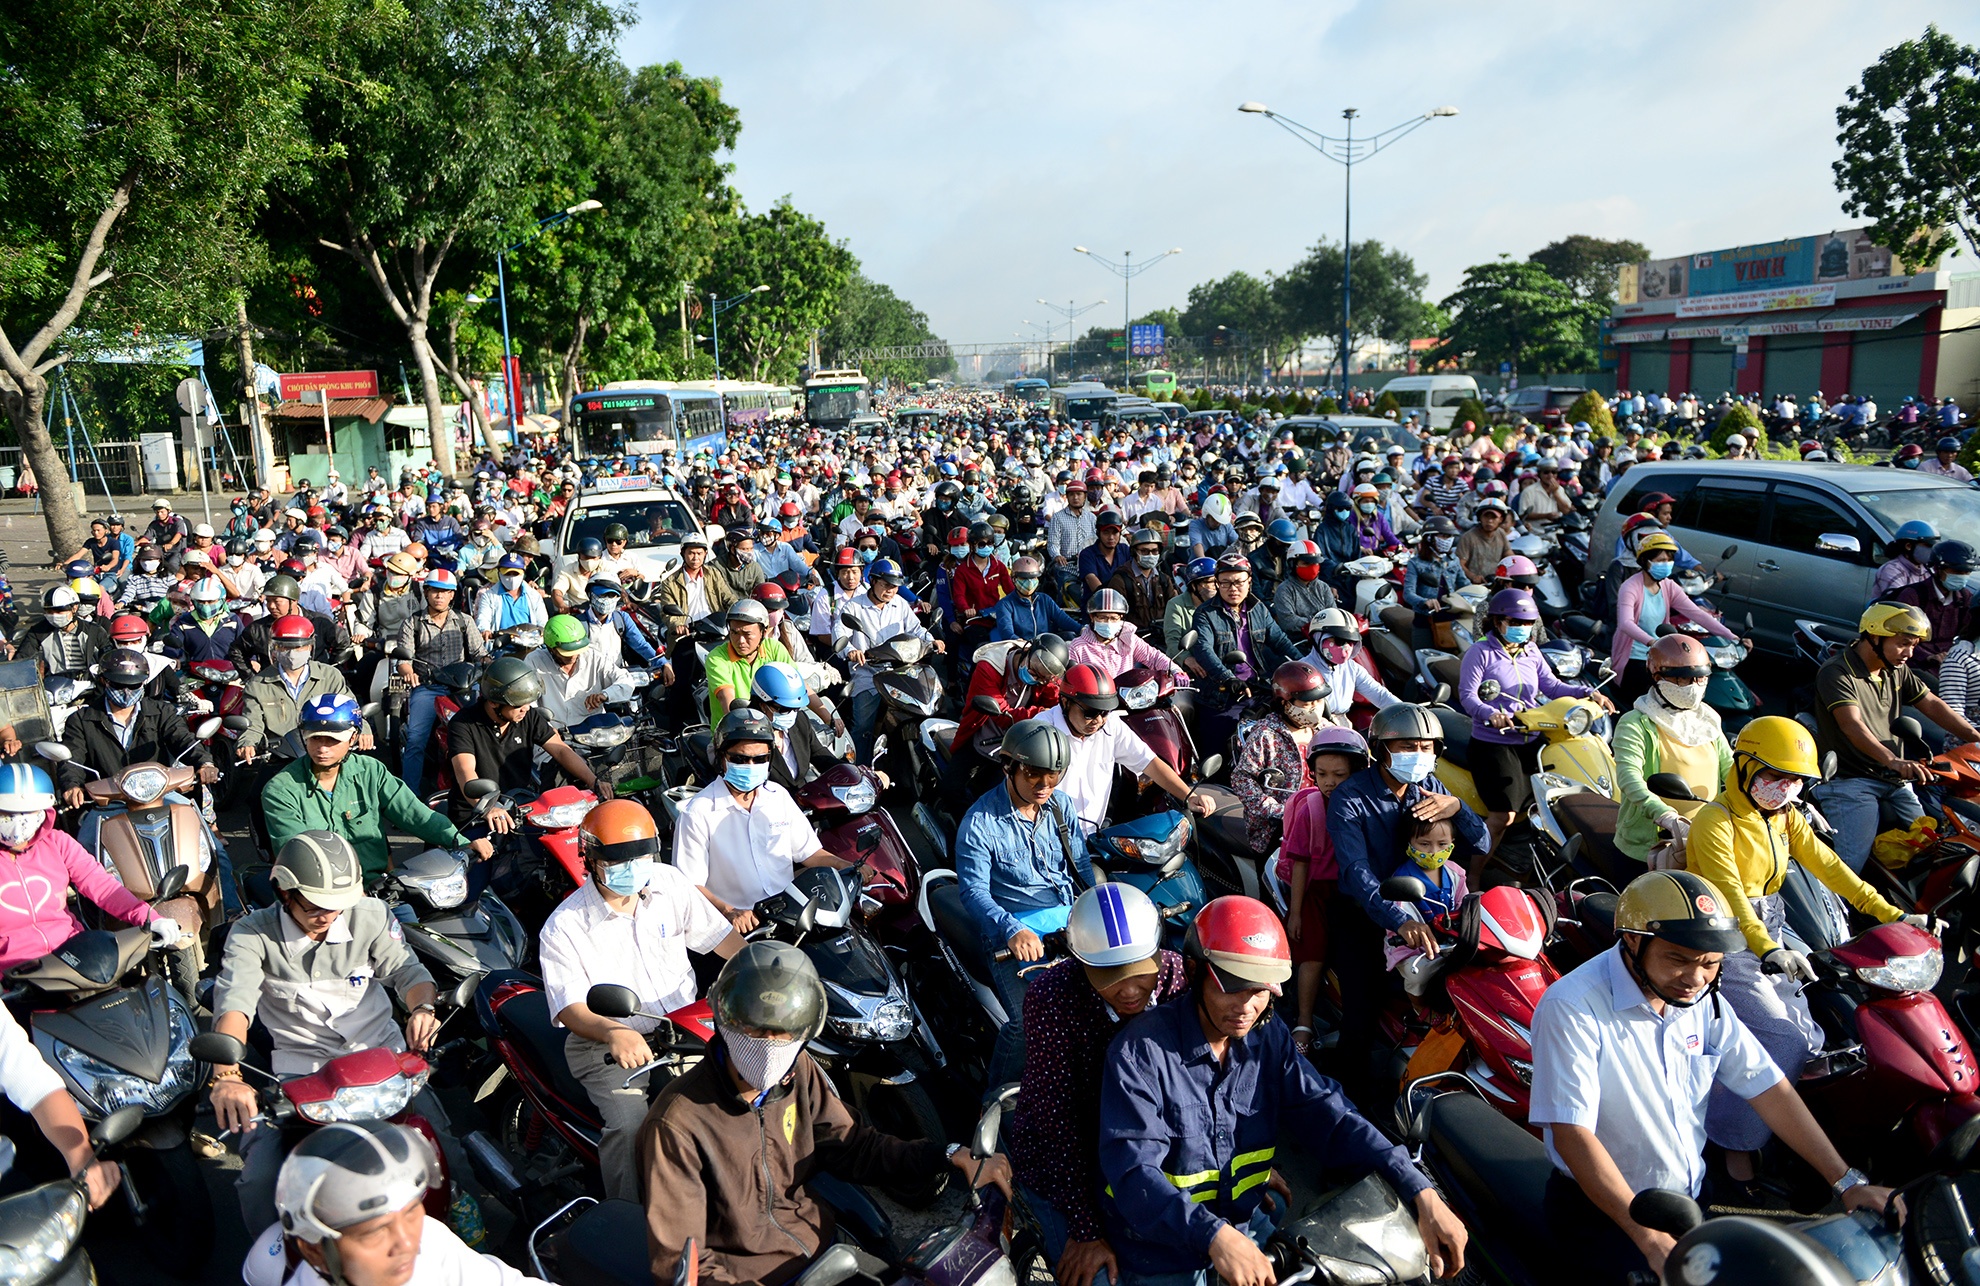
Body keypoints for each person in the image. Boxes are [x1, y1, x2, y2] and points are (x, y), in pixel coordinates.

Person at [1528, 870, 1894, 1282]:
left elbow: (1767, 1086)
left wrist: (1846, 1182)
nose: (1695, 978)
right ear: (1632, 940)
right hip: (1607, 1216)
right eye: (1677, 959)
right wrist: (1648, 1238)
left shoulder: (1701, 997)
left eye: (1710, 963)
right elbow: (1572, 1134)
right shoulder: (1572, 1007)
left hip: (1689, 1203)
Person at [1097, 896, 1466, 1286]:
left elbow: (1329, 1113)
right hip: (1161, 1253)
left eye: (1260, 990)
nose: (1246, 1006)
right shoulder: (1138, 1054)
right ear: (1194, 970)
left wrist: (1419, 1189)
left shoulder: (1268, 1037)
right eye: (1232, 987)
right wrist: (1215, 1236)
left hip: (1244, 1228)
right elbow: (1135, 1173)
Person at [638, 942, 1011, 1286]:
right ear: (725, 1020)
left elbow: (856, 1146)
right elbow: (682, 1262)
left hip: (825, 1250)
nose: (770, 1046)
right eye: (755, 1029)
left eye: (784, 1033)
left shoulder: (798, 1071)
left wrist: (948, 1155)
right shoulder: (677, 1124)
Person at [1686, 717, 1917, 1190]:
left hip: (1771, 929)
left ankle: (1778, 1124)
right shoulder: (1715, 821)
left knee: (1814, 1037)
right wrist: (1768, 948)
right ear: (1744, 766)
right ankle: (1732, 1149)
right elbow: (1730, 895)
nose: (1785, 787)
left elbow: (1829, 866)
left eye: (1794, 779)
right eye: (1775, 775)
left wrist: (1892, 913)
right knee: (1785, 1040)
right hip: (1726, 940)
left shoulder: (1785, 817)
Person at [207, 832, 447, 1232]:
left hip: (381, 1062)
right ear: (285, 892)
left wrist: (422, 1008)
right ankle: (278, 1260)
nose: (328, 917)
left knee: (446, 1154)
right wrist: (227, 1076)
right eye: (315, 907)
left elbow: (408, 971)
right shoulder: (251, 935)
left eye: (338, 907)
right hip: (304, 1074)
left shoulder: (370, 915)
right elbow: (235, 1005)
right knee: (261, 1181)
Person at [539, 799, 743, 1202]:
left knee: (732, 1097)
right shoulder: (564, 926)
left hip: (682, 1030)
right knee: (631, 1127)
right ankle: (628, 1216)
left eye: (641, 856)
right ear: (591, 859)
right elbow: (570, 1006)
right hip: (605, 1044)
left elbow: (722, 939)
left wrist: (761, 967)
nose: (632, 867)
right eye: (618, 860)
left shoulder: (669, 884)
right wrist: (613, 1032)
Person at [1007, 884, 1187, 1286]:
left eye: (1139, 968)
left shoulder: (1178, 978)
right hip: (1069, 1166)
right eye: (1108, 974)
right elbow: (1058, 1123)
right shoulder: (1051, 999)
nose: (1129, 990)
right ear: (1080, 962)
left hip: (1149, 1157)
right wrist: (1086, 1229)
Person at [1326, 704, 1490, 1102]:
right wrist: (1397, 919)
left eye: (1426, 747)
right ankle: (1348, 1104)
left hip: (1432, 912)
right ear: (1382, 749)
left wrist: (1458, 808)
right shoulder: (1351, 797)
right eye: (1407, 746)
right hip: (1366, 917)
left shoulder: (1430, 787)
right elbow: (1356, 872)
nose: (1419, 754)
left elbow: (1482, 842)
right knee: (1361, 1014)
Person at [955, 718, 1089, 1091]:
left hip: (1067, 924)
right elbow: (973, 891)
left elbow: (1080, 867)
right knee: (1029, 1022)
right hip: (1012, 933)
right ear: (1008, 767)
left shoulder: (1061, 806)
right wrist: (1012, 929)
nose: (1044, 785)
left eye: (1053, 775)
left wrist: (1100, 907)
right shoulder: (980, 823)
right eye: (1033, 774)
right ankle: (995, 1102)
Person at [1809, 602, 1980, 871]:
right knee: (1849, 867)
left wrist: (1975, 737)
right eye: (1903, 644)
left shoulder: (1895, 669)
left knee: (1932, 849)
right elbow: (1852, 725)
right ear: (1875, 636)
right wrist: (1893, 760)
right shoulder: (1837, 672)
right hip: (1851, 781)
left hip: (1894, 780)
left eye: (1914, 645)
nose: (1910, 653)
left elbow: (1933, 704)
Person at [1459, 588, 1612, 866]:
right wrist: (1490, 713)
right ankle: (1474, 873)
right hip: (1495, 742)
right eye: (1516, 622)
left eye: (1528, 623)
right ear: (1498, 622)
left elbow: (1552, 686)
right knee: (1503, 817)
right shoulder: (1480, 652)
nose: (1522, 628)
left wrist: (1588, 692)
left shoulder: (1531, 650)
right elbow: (1468, 696)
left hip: (1531, 738)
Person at [263, 694, 489, 881]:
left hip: (377, 886)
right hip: (316, 896)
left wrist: (461, 842)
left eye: (332, 740)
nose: (322, 748)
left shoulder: (371, 771)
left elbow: (415, 814)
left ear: (353, 738)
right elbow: (296, 852)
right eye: (315, 738)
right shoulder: (280, 790)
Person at [673, 709, 848, 931]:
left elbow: (810, 853)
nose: (750, 766)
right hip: (737, 928)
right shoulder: (698, 813)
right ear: (721, 758)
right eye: (740, 759)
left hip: (789, 916)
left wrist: (846, 866)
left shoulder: (778, 797)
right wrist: (729, 911)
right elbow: (689, 884)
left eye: (760, 759)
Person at [0, 762, 179, 972]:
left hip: (70, 956)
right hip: (13, 973)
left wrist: (149, 917)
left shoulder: (58, 842)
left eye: (29, 812)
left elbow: (102, 886)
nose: (19, 822)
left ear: (44, 812)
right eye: (8, 813)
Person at [1275, 728, 1367, 1050]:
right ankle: (1303, 1021)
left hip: (1354, 892)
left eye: (1339, 775)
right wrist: (1296, 912)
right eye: (1322, 774)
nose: (1330, 782)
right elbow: (1300, 863)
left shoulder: (1364, 805)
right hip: (1317, 892)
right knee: (1312, 956)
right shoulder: (1311, 809)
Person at [1039, 664, 1211, 835]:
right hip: (1049, 837)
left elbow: (1150, 763)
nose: (1098, 720)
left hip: (1091, 833)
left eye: (1105, 712)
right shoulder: (1042, 730)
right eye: (1090, 713)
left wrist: (1189, 796)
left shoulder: (1112, 725)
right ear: (1065, 702)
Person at [447, 657, 613, 826]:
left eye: (527, 703)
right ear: (493, 702)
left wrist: (594, 781)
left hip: (519, 807)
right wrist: (487, 809)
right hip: (475, 815)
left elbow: (560, 750)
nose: (525, 708)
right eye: (518, 704)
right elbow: (464, 770)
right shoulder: (463, 724)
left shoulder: (528, 716)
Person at [1612, 635, 1730, 868]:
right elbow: (1629, 777)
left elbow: (1731, 768)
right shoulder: (1635, 723)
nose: (1694, 687)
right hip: (1652, 847)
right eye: (1684, 679)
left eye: (1701, 678)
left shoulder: (1707, 719)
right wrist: (1664, 815)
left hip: (1705, 837)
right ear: (1658, 677)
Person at [57, 646, 218, 806]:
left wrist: (205, 763)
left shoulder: (162, 712)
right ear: (104, 681)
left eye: (133, 685)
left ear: (144, 682)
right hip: (108, 803)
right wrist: (72, 786)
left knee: (192, 818)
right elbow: (72, 757)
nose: (126, 691)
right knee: (87, 823)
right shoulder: (81, 720)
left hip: (159, 797)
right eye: (118, 685)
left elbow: (183, 739)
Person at [833, 559, 942, 766]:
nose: (891, 590)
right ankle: (859, 769)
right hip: (868, 673)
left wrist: (932, 640)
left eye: (895, 586)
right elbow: (840, 633)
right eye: (886, 584)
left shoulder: (900, 604)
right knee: (863, 727)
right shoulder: (854, 606)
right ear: (872, 581)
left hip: (900, 670)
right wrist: (851, 651)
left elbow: (916, 629)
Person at [1609, 533, 1740, 706]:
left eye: (1669, 560)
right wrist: (1652, 642)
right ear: (1645, 561)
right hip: (1635, 658)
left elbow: (1697, 614)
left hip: (1663, 656)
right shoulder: (1630, 586)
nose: (1666, 564)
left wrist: (1732, 636)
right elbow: (1625, 623)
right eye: (1661, 560)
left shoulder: (1668, 585)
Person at [946, 633, 1068, 813]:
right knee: (951, 790)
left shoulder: (1043, 677)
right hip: (981, 738)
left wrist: (1057, 693)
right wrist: (1040, 713)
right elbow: (1002, 715)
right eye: (1034, 672)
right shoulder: (989, 666)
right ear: (1028, 651)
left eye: (1043, 678)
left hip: (1017, 746)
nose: (1036, 679)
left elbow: (1054, 703)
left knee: (1004, 803)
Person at [1190, 556, 1301, 751]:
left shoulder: (1259, 609)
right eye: (1225, 583)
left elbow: (1280, 641)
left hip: (1258, 689)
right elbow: (1203, 649)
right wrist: (1227, 678)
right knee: (1220, 752)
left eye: (1239, 582)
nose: (1233, 588)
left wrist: (1304, 665)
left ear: (1249, 581)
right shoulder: (1205, 613)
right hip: (1221, 696)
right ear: (1217, 583)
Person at [394, 568, 489, 791]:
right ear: (426, 593)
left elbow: (479, 653)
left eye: (445, 592)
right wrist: (408, 671)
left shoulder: (464, 621)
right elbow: (403, 659)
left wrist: (491, 663)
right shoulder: (412, 623)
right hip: (428, 687)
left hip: (463, 687)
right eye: (434, 591)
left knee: (485, 732)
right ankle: (409, 796)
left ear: (452, 595)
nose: (439, 596)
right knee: (415, 740)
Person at [1295, 609, 1400, 727]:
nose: (1346, 647)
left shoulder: (1352, 668)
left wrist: (1406, 711)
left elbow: (1380, 695)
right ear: (1318, 638)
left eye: (1350, 641)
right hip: (1310, 728)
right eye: (1339, 640)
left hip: (1343, 725)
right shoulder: (1301, 671)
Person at [1069, 588, 1189, 685]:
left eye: (1114, 618)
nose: (1108, 622)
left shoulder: (1129, 639)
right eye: (1102, 618)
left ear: (1121, 618)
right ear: (1092, 617)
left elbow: (1154, 657)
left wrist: (1175, 670)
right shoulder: (1078, 646)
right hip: (1094, 702)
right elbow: (1070, 678)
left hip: (1129, 698)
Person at [1890, 539, 1974, 671]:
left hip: (1948, 665)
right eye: (1957, 571)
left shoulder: (1964, 597)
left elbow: (1969, 634)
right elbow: (1899, 637)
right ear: (1937, 568)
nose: (1962, 576)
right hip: (1912, 665)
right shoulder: (1913, 595)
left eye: (1966, 572)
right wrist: (1928, 657)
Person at [18, 586, 110, 678]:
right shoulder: (38, 632)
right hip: (53, 683)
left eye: (59, 611)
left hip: (90, 683)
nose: (54, 615)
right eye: (49, 611)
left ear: (74, 608)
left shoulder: (94, 631)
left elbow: (109, 659)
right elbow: (21, 660)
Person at [1109, 527, 1176, 635]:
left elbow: (1175, 610)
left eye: (1154, 551)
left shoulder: (1164, 579)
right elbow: (1113, 617)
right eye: (1144, 551)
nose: (1150, 555)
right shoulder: (1121, 580)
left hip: (1162, 637)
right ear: (1134, 552)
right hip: (1131, 638)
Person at [1269, 539, 1339, 638]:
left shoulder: (1323, 587)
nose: (1312, 567)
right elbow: (1288, 621)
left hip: (1325, 639)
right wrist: (1320, 623)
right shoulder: (1284, 590)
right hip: (1298, 641)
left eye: (1315, 563)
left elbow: (1333, 615)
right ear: (1293, 564)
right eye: (1306, 563)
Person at [1163, 557, 1217, 676]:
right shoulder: (1176, 604)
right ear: (1194, 585)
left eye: (1217, 582)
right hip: (1187, 669)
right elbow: (1172, 641)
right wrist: (1187, 658)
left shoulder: (1220, 604)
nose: (1215, 586)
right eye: (1210, 582)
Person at [473, 553, 547, 633]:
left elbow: (543, 622)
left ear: (523, 574)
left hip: (530, 639)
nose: (512, 578)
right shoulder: (489, 596)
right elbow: (483, 618)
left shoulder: (534, 596)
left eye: (516, 573)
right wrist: (485, 630)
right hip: (501, 639)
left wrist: (542, 633)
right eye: (507, 573)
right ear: (499, 573)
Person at [1873, 520, 1940, 599]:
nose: (1932, 550)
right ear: (1908, 546)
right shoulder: (1891, 569)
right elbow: (1899, 600)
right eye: (1928, 545)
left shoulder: (1927, 569)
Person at [1454, 499, 1513, 585]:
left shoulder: (1501, 533)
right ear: (1480, 518)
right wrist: (1473, 576)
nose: (1489, 521)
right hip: (1473, 585)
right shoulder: (1468, 537)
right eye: (1486, 516)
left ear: (1501, 519)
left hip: (1496, 582)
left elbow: (1509, 555)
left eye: (1494, 517)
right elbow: (1459, 564)